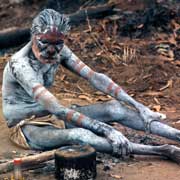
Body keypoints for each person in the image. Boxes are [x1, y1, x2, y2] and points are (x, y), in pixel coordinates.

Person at [2, 9, 180, 159]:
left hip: (55, 118)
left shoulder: (59, 49)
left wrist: (140, 106)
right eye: (44, 42)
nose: (50, 50)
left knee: (114, 109)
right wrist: (106, 130)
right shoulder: (21, 65)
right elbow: (57, 108)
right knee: (80, 135)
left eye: (58, 44)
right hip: (28, 128)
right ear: (33, 36)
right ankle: (164, 151)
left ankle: (176, 136)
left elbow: (95, 77)